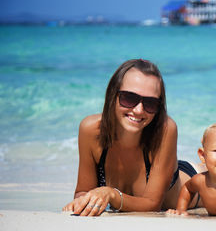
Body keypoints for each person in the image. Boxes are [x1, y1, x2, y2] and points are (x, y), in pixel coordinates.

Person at [63, 59, 201, 216]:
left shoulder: (165, 129)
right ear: (112, 94)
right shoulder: (91, 130)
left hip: (193, 183)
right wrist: (83, 201)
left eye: (150, 103)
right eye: (129, 98)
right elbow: (83, 191)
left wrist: (111, 194)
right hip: (166, 166)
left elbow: (153, 204)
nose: (138, 110)